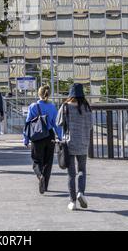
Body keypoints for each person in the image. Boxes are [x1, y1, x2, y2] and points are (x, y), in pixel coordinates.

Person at [56, 83, 93, 211]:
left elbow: (58, 122)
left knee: (71, 174)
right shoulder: (87, 107)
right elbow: (91, 125)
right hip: (83, 143)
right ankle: (81, 193)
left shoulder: (65, 106)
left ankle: (72, 202)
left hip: (69, 144)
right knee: (82, 170)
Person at [23, 85, 62, 194]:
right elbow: (56, 124)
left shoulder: (33, 106)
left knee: (36, 160)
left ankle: (40, 176)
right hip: (49, 135)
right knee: (48, 162)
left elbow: (27, 123)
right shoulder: (52, 107)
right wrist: (60, 136)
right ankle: (45, 185)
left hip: (37, 135)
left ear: (38, 94)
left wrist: (25, 138)